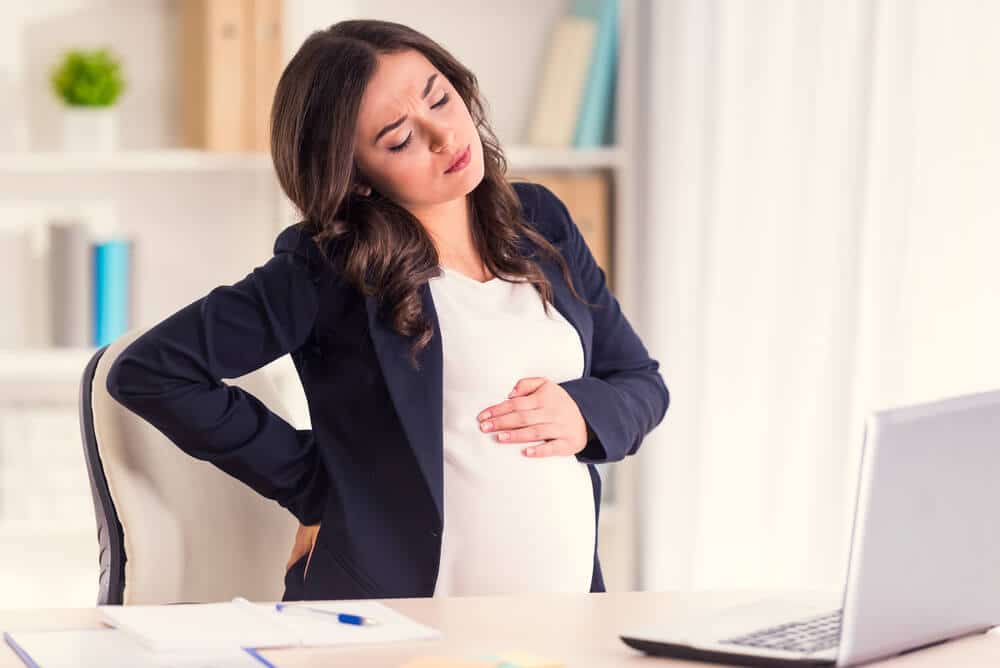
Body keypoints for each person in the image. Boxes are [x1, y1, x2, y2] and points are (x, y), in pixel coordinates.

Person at [105, 19, 669, 602]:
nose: (446, 138)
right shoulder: (328, 268)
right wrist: (315, 484)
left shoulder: (540, 221)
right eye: (399, 139)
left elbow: (639, 381)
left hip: (563, 612)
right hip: (397, 626)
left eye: (440, 100)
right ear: (358, 178)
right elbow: (153, 371)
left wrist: (584, 413)